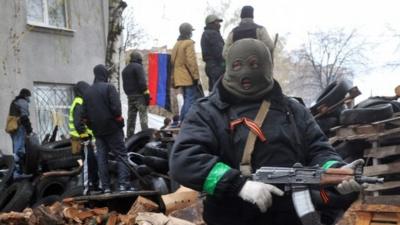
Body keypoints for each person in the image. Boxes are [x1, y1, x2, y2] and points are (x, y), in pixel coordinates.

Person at [170, 39, 366, 225]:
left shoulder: (293, 109)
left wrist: (337, 172)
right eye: (237, 65)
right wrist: (238, 185)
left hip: (291, 218)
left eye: (254, 64)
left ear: (267, 67)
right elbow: (185, 160)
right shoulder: (207, 111)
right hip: (231, 219)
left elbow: (319, 150)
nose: (246, 73)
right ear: (228, 67)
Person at [82, 64, 132, 193]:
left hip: (97, 131)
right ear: (105, 74)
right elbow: (116, 109)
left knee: (102, 158)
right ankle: (123, 185)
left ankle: (106, 187)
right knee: (121, 155)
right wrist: (119, 121)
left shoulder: (87, 92)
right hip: (112, 128)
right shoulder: (109, 88)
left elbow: (84, 116)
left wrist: (92, 127)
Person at [69, 81, 100, 195]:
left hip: (86, 138)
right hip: (83, 140)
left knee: (92, 163)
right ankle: (86, 190)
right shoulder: (79, 102)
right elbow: (78, 124)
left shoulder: (82, 102)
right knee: (87, 165)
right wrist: (85, 138)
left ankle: (94, 186)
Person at [171, 22, 202, 123]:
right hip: (188, 76)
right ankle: (185, 122)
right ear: (189, 32)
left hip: (179, 77)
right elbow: (191, 62)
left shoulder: (177, 44)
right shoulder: (189, 43)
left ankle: (183, 121)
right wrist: (196, 77)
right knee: (190, 99)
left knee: (186, 99)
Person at [122, 51, 150, 138]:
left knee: (131, 119)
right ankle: (146, 137)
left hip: (130, 97)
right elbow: (142, 83)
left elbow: (124, 85)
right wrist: (146, 95)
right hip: (140, 97)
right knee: (143, 118)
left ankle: (129, 137)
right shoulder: (138, 67)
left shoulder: (125, 69)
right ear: (139, 58)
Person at [7, 88, 32, 177]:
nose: (30, 99)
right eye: (29, 96)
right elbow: (24, 117)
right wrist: (29, 131)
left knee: (17, 150)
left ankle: (17, 172)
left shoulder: (15, 101)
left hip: (14, 129)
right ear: (26, 96)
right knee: (19, 151)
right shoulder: (22, 102)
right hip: (19, 128)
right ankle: (17, 173)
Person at [201, 15, 225, 92]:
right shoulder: (213, 34)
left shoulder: (205, 33)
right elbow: (219, 52)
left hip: (210, 66)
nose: (219, 24)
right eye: (217, 22)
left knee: (213, 90)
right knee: (218, 91)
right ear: (212, 23)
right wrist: (225, 63)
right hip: (216, 66)